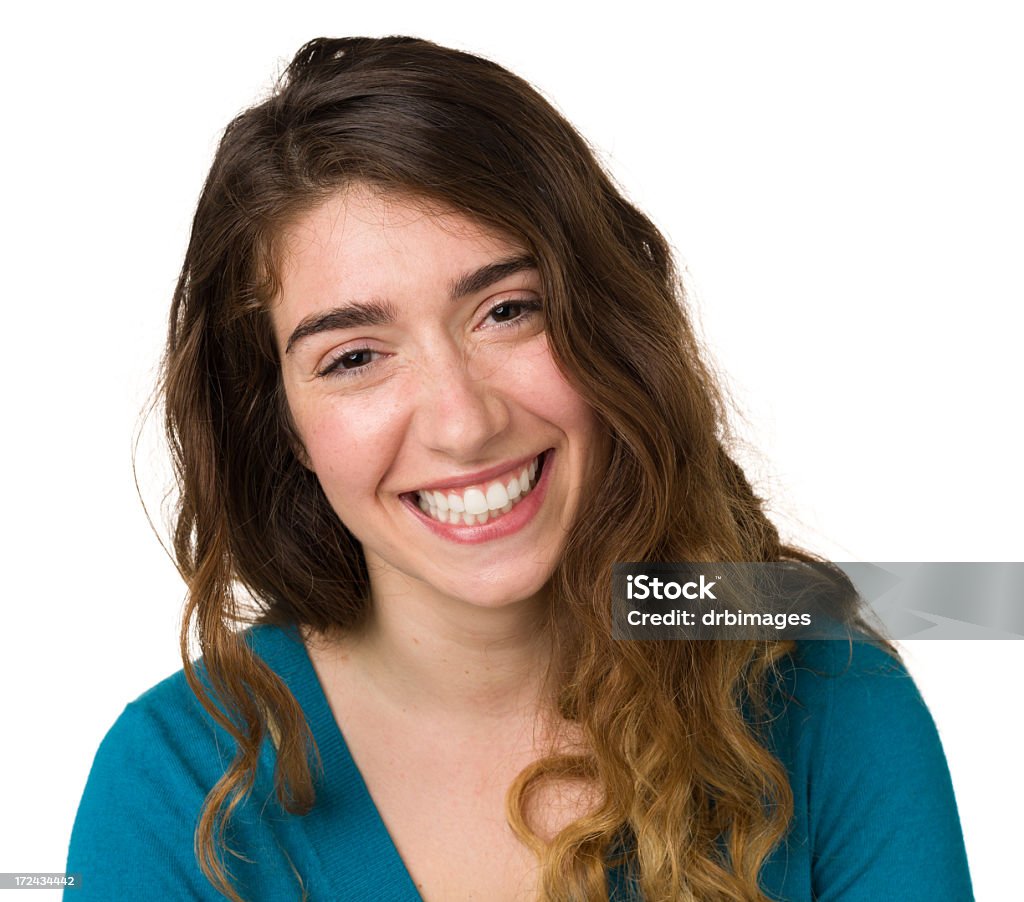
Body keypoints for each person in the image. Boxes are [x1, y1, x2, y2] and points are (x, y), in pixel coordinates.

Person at [65, 36, 973, 901]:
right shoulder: (177, 784)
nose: (463, 423)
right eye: (353, 357)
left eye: (506, 311)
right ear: (283, 427)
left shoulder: (825, 693)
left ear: (606, 325)